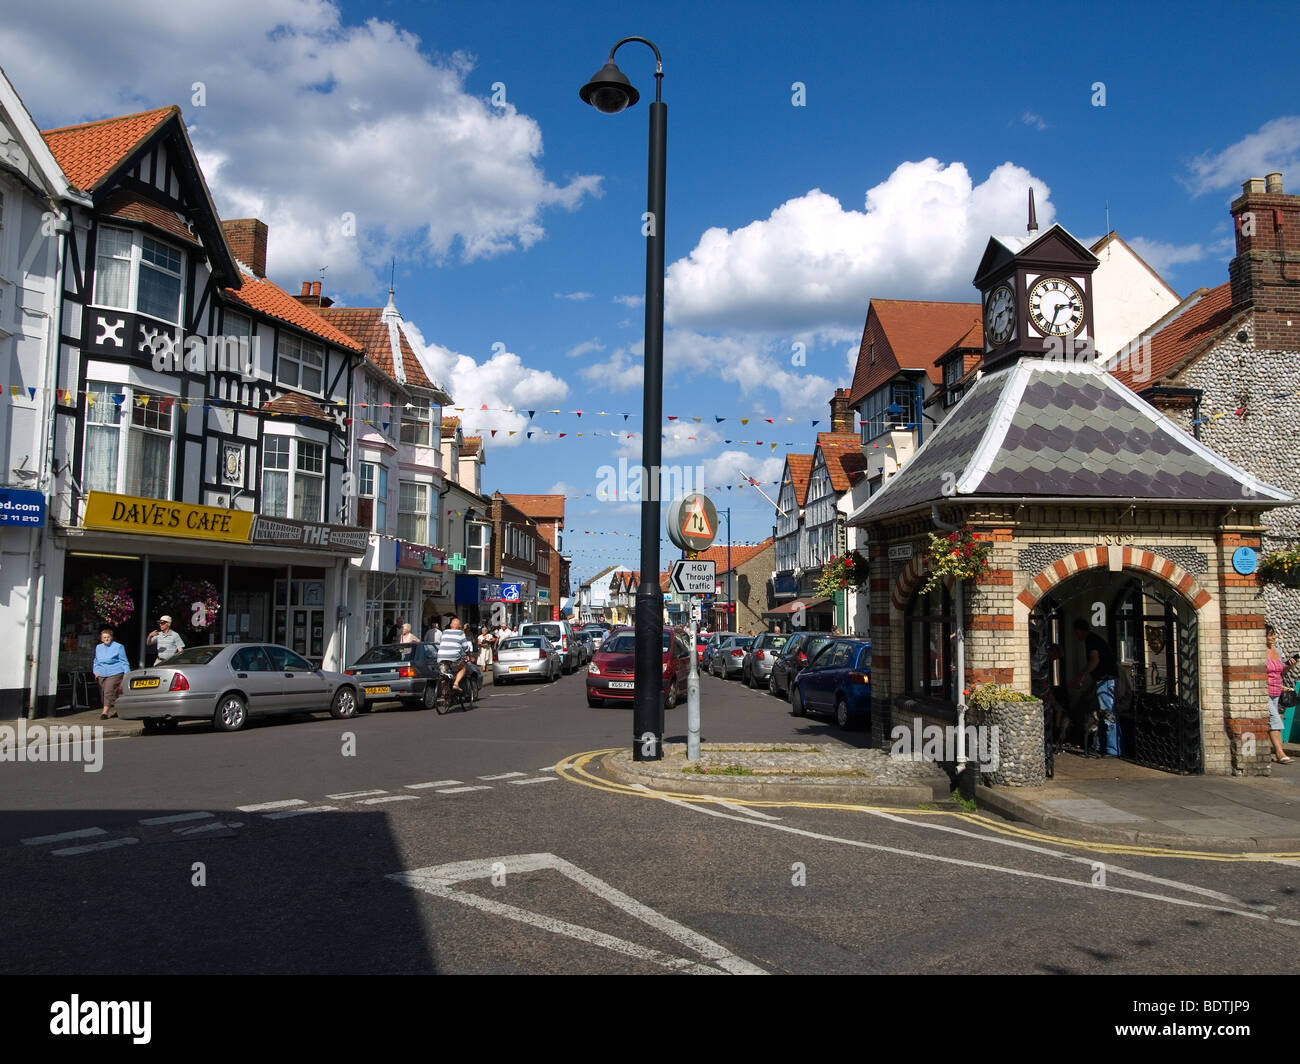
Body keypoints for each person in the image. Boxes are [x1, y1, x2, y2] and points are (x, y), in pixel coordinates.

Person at [1072, 618, 1121, 756]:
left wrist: (1081, 676)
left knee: (1107, 713)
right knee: (1102, 713)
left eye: (1076, 633)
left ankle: (1113, 749)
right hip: (1103, 679)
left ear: (1079, 631)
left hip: (1105, 679)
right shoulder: (1094, 638)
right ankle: (1101, 746)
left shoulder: (1091, 640)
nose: (1076, 636)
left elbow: (1095, 660)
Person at [1266, 625, 1298, 764]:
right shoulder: (1258, 652)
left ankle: (1274, 752)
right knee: (1275, 721)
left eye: (1274, 634)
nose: (1274, 637)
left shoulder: (1276, 651)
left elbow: (1281, 672)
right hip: (1264, 693)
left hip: (1276, 692)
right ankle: (1280, 753)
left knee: (1271, 723)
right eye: (1270, 635)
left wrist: (1290, 665)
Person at [92, 627, 130, 720]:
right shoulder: (98, 647)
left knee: (108, 691)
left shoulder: (118, 646)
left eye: (108, 637)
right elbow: (96, 661)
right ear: (101, 639)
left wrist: (127, 673)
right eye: (104, 637)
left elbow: (124, 661)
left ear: (111, 637)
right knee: (112, 693)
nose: (106, 639)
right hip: (101, 673)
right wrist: (95, 671)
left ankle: (104, 713)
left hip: (115, 672)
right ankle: (120, 709)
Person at [438, 616, 472, 691]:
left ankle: (444, 691)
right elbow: (465, 647)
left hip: (441, 657)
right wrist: (469, 656)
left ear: (450, 625)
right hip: (453, 657)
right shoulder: (460, 633)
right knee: (462, 667)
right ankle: (456, 684)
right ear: (459, 626)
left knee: (444, 673)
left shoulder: (444, 632)